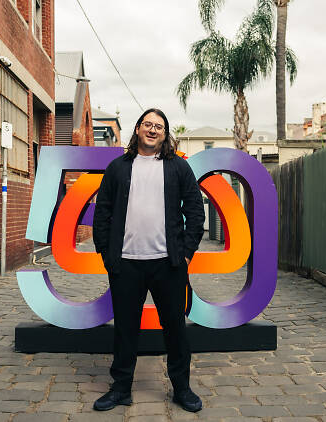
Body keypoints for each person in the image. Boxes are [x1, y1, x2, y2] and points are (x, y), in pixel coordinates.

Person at [92, 108, 205, 412]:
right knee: (126, 329)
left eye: (159, 126)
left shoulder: (178, 168)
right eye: (148, 124)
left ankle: (182, 388)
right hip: (125, 263)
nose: (153, 130)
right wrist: (106, 254)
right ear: (138, 128)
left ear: (165, 134)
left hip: (168, 264)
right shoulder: (118, 168)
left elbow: (196, 210)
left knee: (175, 329)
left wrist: (185, 252)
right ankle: (121, 389)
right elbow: (102, 212)